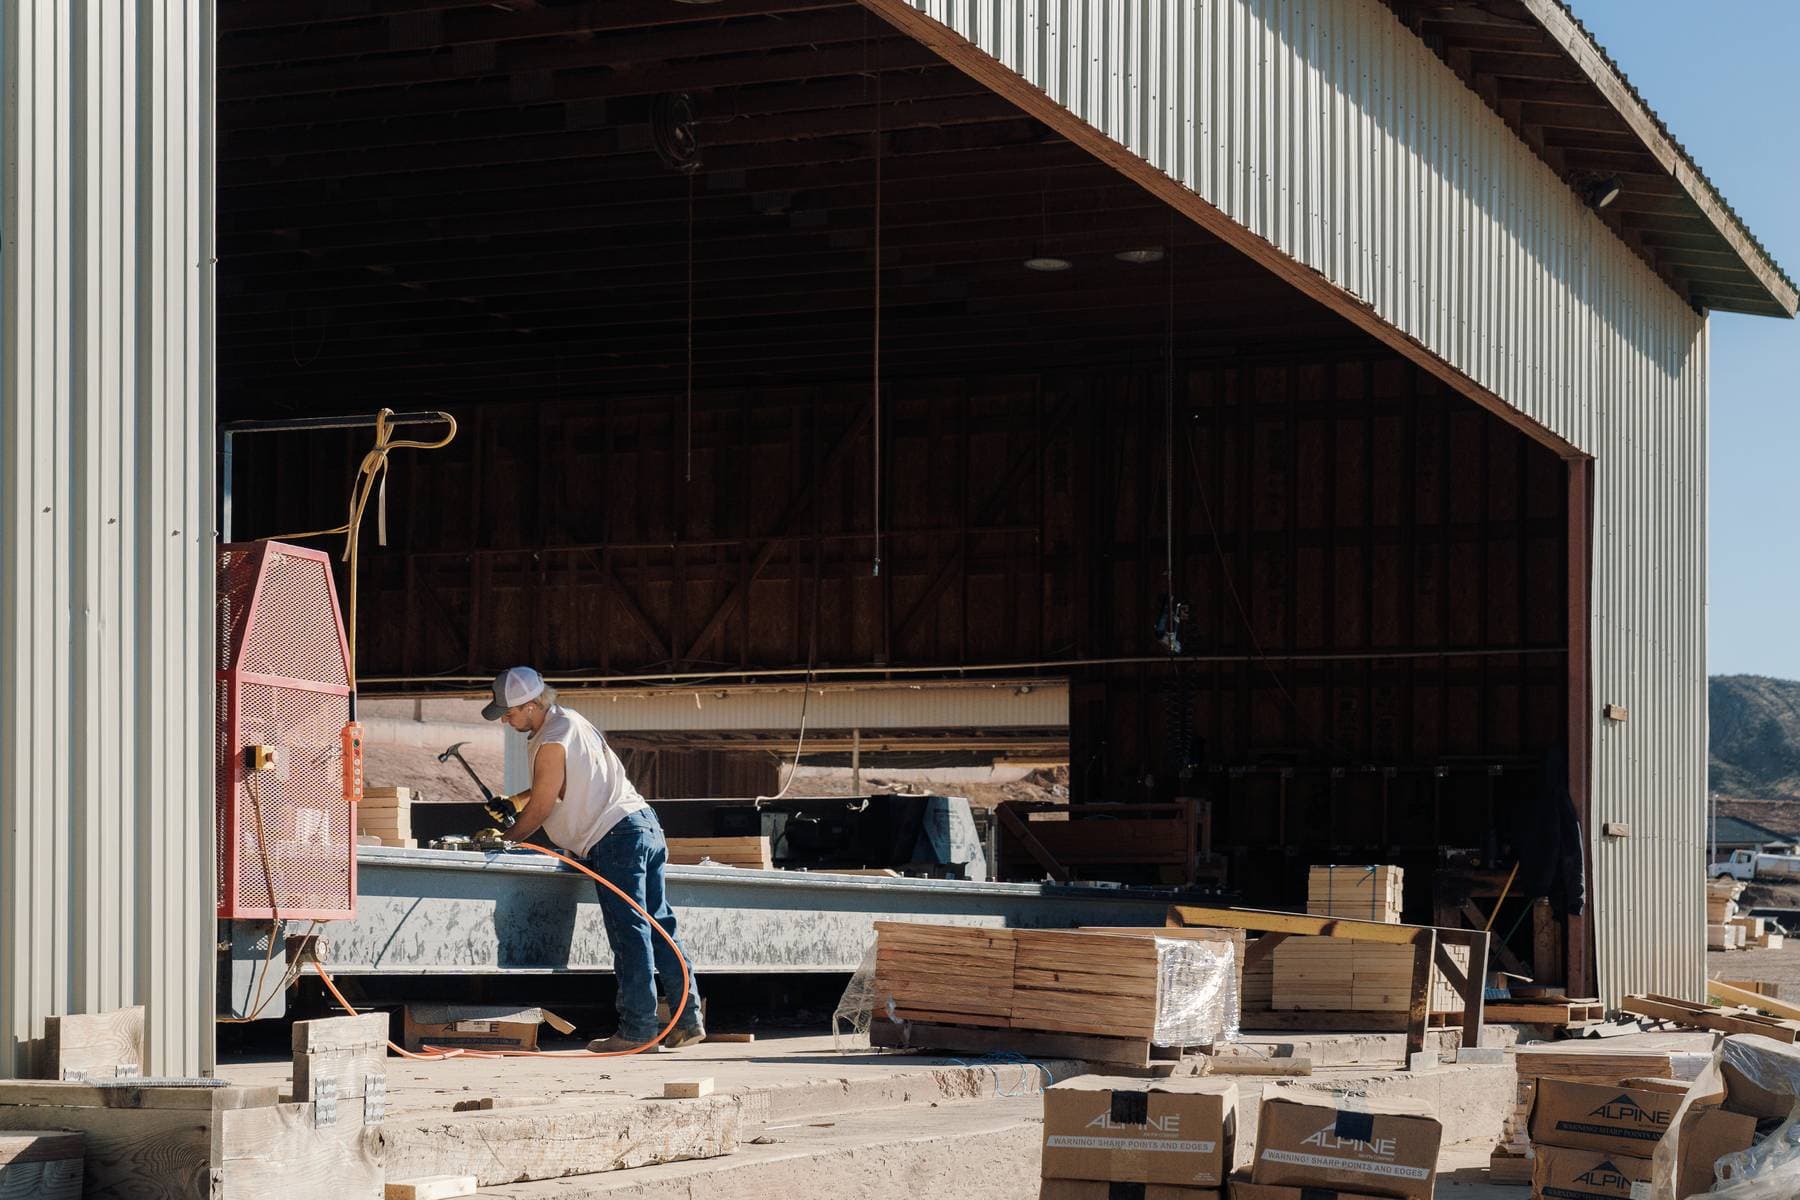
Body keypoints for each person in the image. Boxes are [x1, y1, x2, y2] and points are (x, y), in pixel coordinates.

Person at [480, 666, 705, 1051]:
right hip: (641, 825)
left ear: (532, 706)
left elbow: (544, 805)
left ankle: (638, 1032)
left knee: (629, 933)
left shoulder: (550, 740)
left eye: (510, 711)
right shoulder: (570, 722)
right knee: (660, 927)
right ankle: (688, 1021)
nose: (505, 718)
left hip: (615, 838)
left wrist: (506, 838)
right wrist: (515, 801)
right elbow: (561, 783)